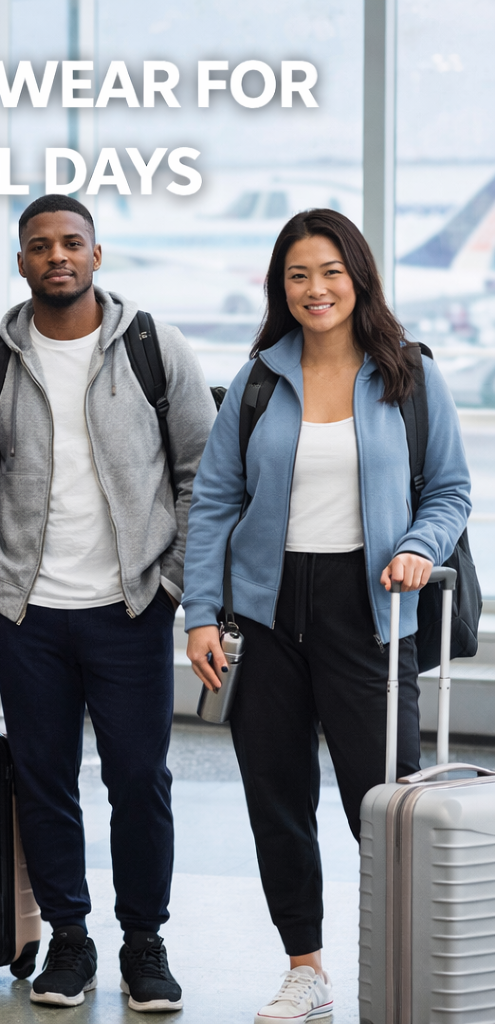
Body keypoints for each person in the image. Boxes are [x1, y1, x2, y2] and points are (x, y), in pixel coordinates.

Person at [183, 209, 471, 1024]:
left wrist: (418, 546)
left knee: (382, 805)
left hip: (371, 610)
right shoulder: (259, 380)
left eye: (331, 272)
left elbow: (450, 489)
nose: (316, 289)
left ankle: (408, 962)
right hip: (267, 614)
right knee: (277, 799)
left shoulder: (409, 374)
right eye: (298, 275)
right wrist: (201, 612)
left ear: (359, 278)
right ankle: (305, 968)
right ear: (281, 287)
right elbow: (214, 503)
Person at [0, 194, 216, 1012]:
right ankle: (69, 938)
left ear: (97, 255)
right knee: (44, 781)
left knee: (139, 780)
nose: (57, 256)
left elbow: (204, 475)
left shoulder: (152, 347)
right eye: (40, 246)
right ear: (22, 262)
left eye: (72, 242)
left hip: (130, 608)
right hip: (27, 614)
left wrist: (170, 583)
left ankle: (144, 941)